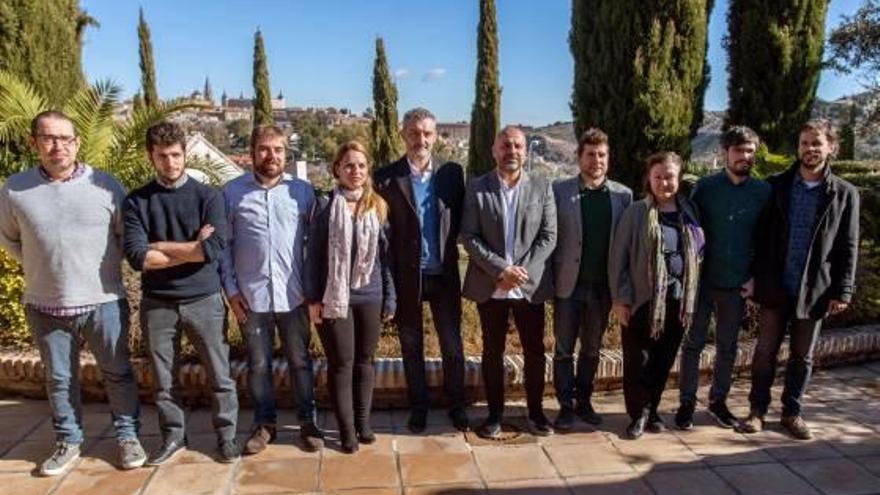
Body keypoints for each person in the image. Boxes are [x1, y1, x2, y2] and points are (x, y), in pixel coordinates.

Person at [0, 110, 144, 476]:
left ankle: (128, 437)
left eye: (65, 138)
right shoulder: (15, 190)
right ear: (35, 143)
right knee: (59, 378)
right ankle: (68, 440)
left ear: (77, 142)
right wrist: (41, 265)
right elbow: (9, 239)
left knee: (117, 373)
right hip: (44, 303)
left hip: (103, 301)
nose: (58, 146)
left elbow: (123, 237)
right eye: (49, 138)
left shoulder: (107, 186)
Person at [123, 121, 239, 464]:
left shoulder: (208, 196)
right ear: (151, 157)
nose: (170, 163)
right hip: (157, 302)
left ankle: (227, 436)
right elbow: (137, 256)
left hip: (204, 299)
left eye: (176, 155)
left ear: (184, 154)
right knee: (163, 379)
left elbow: (214, 249)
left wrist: (161, 246)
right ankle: (173, 437)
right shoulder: (137, 202)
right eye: (162, 156)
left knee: (220, 375)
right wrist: (191, 247)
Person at [739, 119, 860, 440]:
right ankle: (757, 411)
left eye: (817, 143)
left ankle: (792, 412)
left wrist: (843, 289)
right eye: (805, 142)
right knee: (765, 352)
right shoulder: (776, 186)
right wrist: (752, 277)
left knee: (802, 356)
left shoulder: (844, 194)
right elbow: (758, 237)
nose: (810, 149)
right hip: (774, 285)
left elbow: (849, 245)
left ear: (831, 147)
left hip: (815, 289)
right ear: (798, 146)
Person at [221, 124, 322, 454]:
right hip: (252, 298)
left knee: (300, 362)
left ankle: (308, 423)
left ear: (286, 154)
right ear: (252, 152)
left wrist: (314, 290)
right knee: (258, 365)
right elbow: (224, 247)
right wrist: (232, 293)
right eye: (265, 149)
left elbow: (317, 244)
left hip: (295, 297)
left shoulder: (303, 192)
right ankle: (264, 425)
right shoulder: (232, 193)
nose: (272, 156)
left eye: (278, 150)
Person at [373, 107, 468, 433]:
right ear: (403, 135)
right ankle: (419, 407)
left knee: (452, 345)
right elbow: (382, 234)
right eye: (414, 133)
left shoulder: (453, 174)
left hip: (444, 274)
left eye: (427, 133)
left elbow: (462, 221)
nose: (421, 139)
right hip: (407, 277)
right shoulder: (386, 177)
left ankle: (457, 405)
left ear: (436, 136)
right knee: (411, 345)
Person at [460, 126, 557, 439]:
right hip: (492, 284)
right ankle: (494, 415)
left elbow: (548, 235)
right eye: (505, 146)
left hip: (529, 285)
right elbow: (469, 236)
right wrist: (502, 270)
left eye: (517, 146)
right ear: (494, 151)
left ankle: (537, 413)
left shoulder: (542, 186)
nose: (511, 151)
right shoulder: (476, 187)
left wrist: (521, 271)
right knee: (492, 352)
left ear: (525, 151)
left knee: (534, 352)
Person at [675, 126, 771, 430]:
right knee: (693, 344)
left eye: (750, 151)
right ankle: (686, 404)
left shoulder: (763, 192)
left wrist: (755, 276)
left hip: (737, 284)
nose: (745, 156)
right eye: (739, 150)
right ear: (725, 152)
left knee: (728, 348)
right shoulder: (705, 188)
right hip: (702, 282)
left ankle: (718, 402)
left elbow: (766, 240)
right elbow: (689, 231)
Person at [304, 141, 396, 453]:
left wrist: (390, 297)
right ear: (337, 170)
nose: (355, 171)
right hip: (335, 296)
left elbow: (386, 259)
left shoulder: (378, 207)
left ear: (367, 170)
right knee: (342, 363)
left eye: (360, 165)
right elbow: (313, 255)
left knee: (366, 362)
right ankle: (346, 431)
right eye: (349, 165)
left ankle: (363, 423)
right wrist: (313, 299)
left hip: (371, 295)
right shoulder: (325, 206)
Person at [609, 152, 704, 440]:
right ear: (649, 180)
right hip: (642, 301)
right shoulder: (637, 212)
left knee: (663, 361)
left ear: (679, 178)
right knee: (638, 361)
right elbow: (618, 258)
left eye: (670, 176)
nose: (664, 182)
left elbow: (698, 250)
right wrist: (621, 298)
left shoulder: (689, 210)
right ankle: (637, 414)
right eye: (658, 177)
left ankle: (653, 410)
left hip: (678, 302)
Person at [551, 128, 632, 430]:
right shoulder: (559, 190)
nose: (596, 160)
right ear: (579, 157)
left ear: (608, 158)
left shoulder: (623, 196)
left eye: (602, 155)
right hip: (567, 286)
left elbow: (625, 247)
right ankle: (564, 406)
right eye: (590, 154)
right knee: (563, 349)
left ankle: (584, 401)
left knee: (591, 349)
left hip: (602, 288)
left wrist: (622, 290)